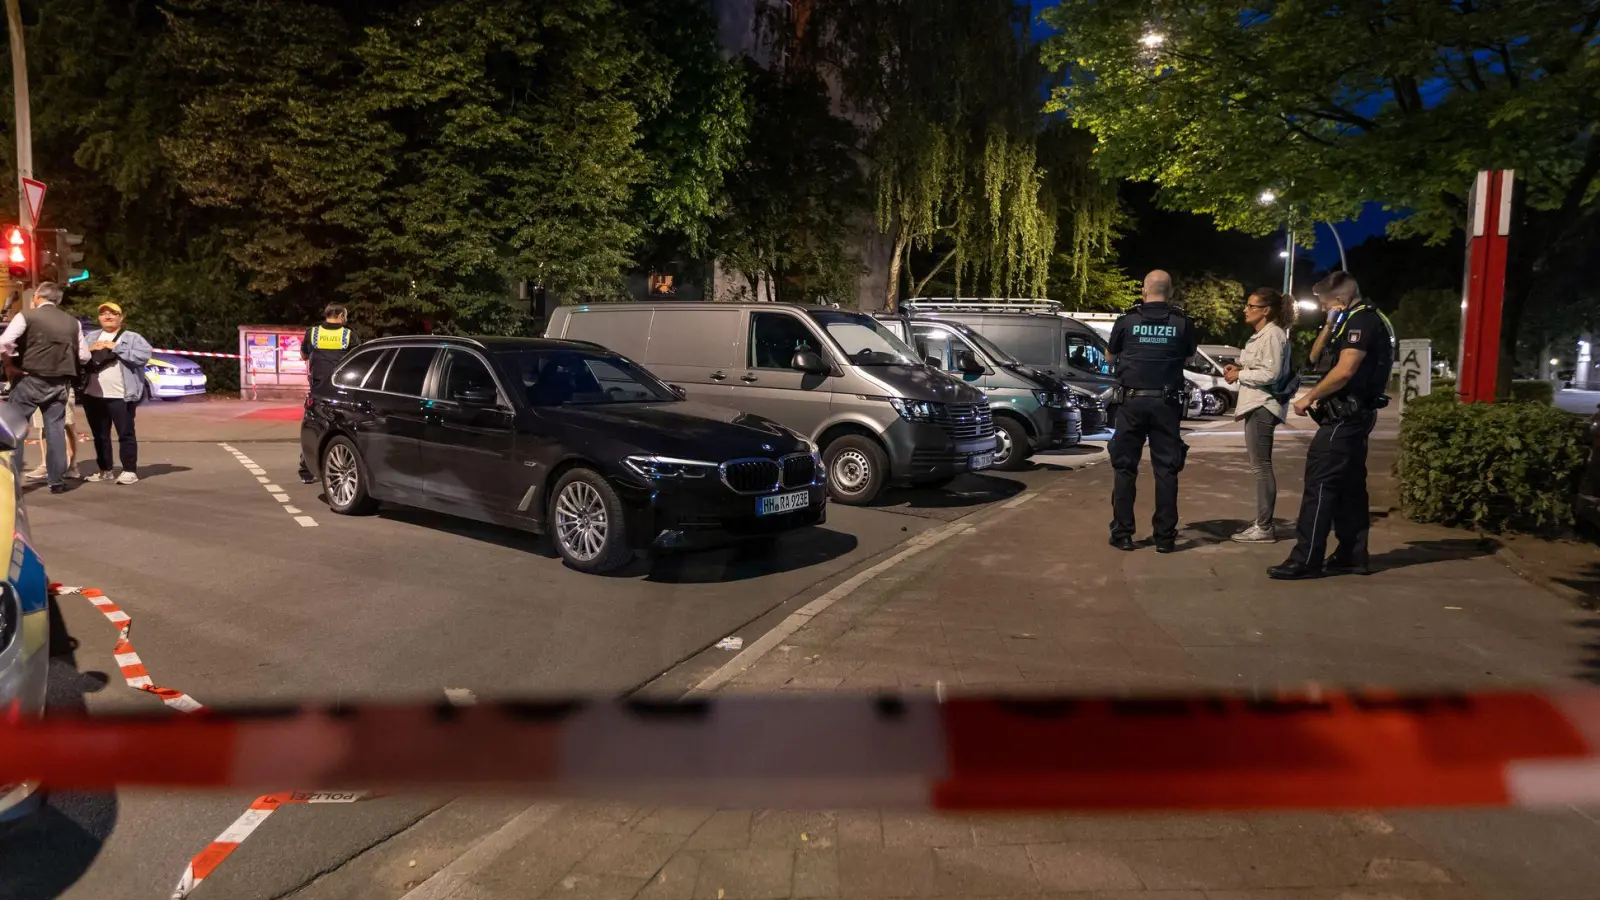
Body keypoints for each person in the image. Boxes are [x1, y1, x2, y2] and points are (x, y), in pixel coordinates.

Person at [1268, 271, 1396, 580]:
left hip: (1345, 417)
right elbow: (1314, 358)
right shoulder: (1348, 319)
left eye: (1325, 305)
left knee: (1320, 484)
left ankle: (1306, 558)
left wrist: (1307, 398)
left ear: (1340, 299)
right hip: (1352, 417)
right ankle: (1352, 555)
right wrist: (1329, 323)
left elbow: (1346, 370)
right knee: (1350, 487)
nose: (1324, 309)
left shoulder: (1362, 321)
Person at [1107, 270, 1197, 553]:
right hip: (1166, 404)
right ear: (1170, 293)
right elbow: (1188, 357)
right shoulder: (1183, 323)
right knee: (1166, 471)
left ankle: (1123, 533)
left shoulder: (1127, 320)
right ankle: (1165, 538)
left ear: (1144, 292)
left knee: (1124, 469)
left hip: (1131, 403)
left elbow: (1111, 355)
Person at [0, 283, 91, 493]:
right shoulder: (72, 322)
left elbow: (4, 342)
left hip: (29, 380)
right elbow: (84, 356)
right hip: (60, 384)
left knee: (16, 431)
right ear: (57, 300)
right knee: (55, 431)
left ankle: (12, 481)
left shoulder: (27, 316)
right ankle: (57, 481)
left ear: (38, 297)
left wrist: (10, 364)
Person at [1223, 288, 1295, 543]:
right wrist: (1240, 368)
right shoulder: (1263, 335)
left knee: (1261, 467)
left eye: (1251, 306)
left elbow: (1271, 374)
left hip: (1263, 406)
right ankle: (1262, 524)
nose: (1246, 309)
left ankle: (1264, 527)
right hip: (1258, 404)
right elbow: (1262, 367)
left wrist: (1239, 375)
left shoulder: (1273, 335)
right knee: (1260, 466)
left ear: (1266, 310)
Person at [81, 302, 152, 485]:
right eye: (104, 314)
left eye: (113, 313)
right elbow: (78, 356)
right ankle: (105, 469)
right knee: (100, 434)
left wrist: (116, 347)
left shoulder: (132, 337)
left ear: (121, 317)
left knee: (125, 433)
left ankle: (129, 470)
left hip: (122, 395)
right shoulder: (91, 337)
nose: (108, 316)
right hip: (93, 394)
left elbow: (143, 357)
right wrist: (90, 349)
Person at [298, 304, 359, 483]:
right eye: (345, 316)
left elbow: (303, 355)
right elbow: (357, 359)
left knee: (314, 425)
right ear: (340, 316)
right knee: (342, 425)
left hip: (318, 388)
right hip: (342, 388)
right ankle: (342, 466)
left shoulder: (313, 333)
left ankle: (306, 471)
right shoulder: (348, 335)